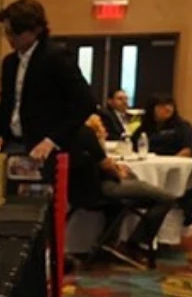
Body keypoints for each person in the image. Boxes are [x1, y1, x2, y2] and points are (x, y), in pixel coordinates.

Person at [0, 0, 96, 161]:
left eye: (15, 33)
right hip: (14, 142)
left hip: (46, 145)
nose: (10, 38)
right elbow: (8, 105)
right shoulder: (10, 62)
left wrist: (52, 140)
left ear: (36, 30)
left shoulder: (56, 56)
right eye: (7, 32)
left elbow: (85, 102)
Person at [70, 115, 178, 269]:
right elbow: (105, 165)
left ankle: (109, 242)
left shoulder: (70, 135)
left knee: (132, 195)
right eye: (101, 125)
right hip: (105, 187)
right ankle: (136, 242)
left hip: (82, 190)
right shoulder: (87, 136)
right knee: (166, 198)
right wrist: (118, 172)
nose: (104, 129)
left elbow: (100, 163)